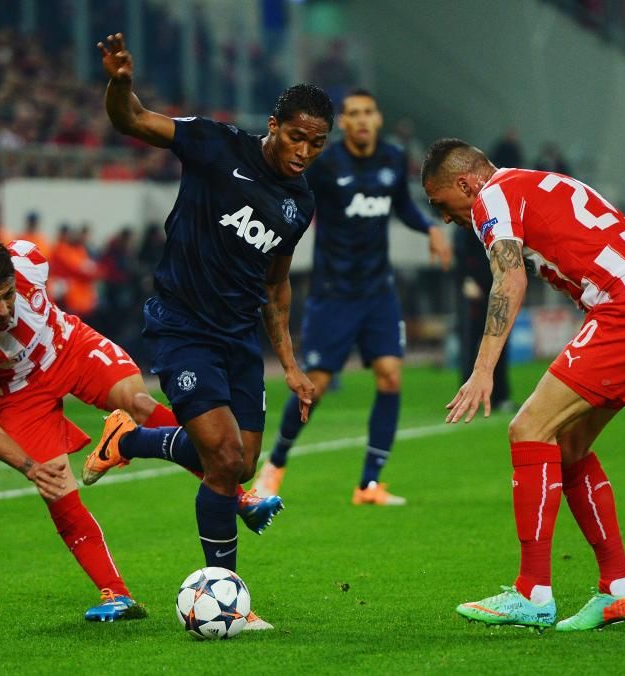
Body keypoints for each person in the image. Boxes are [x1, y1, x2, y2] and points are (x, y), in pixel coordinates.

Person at [83, 33, 333, 631]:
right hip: (183, 326)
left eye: (316, 143)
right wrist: (119, 84)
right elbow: (133, 120)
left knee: (241, 465)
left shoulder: (299, 202)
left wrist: (291, 365)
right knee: (221, 458)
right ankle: (230, 599)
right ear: (273, 125)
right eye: (296, 137)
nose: (304, 152)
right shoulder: (216, 145)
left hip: (240, 336)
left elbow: (277, 285)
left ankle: (128, 440)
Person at [0, 238, 282, 623]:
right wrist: (29, 467)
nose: (3, 309)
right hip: (19, 393)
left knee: (139, 403)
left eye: (8, 295)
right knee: (55, 486)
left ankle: (237, 496)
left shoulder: (28, 260)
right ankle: (116, 594)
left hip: (68, 347)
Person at [421, 139, 625, 632]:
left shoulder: (490, 197)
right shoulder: (537, 182)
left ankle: (532, 593)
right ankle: (621, 589)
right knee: (567, 446)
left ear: (465, 183)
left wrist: (482, 369)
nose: (444, 217)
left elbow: (510, 280)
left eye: (442, 203)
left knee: (527, 429)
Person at [253, 89, 451, 506]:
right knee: (316, 386)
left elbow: (402, 206)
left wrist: (430, 228)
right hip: (333, 293)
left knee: (390, 376)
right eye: (354, 114)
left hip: (378, 291)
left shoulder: (393, 159)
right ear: (343, 123)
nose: (362, 119)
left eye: (368, 112)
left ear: (377, 119)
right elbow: (294, 197)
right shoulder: (326, 163)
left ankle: (369, 484)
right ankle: (275, 464)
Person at [453, 225, 511, 409]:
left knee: (499, 343)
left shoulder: (496, 224)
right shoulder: (465, 225)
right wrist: (465, 280)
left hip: (497, 289)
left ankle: (500, 396)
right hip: (474, 293)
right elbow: (459, 255)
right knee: (470, 345)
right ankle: (467, 396)